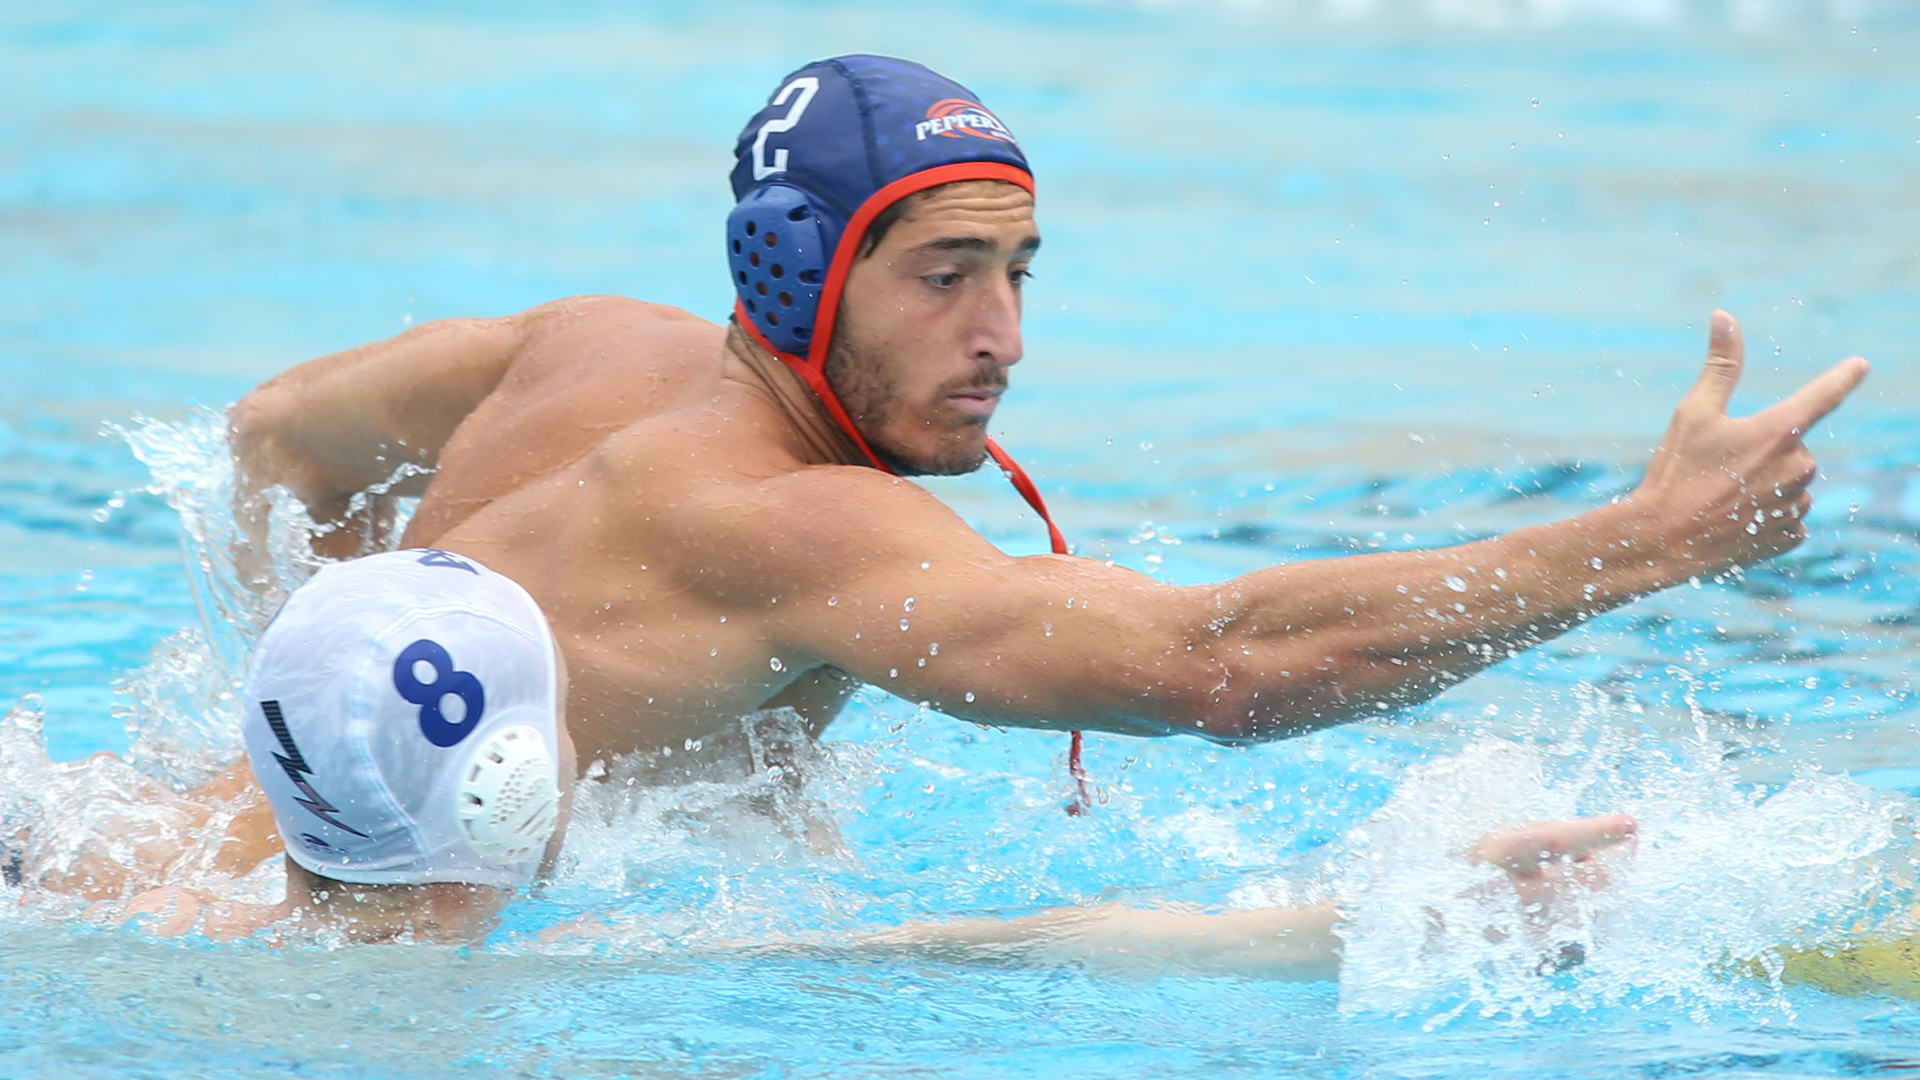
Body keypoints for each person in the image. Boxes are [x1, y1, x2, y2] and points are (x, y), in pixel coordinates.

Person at [225, 54, 1867, 794]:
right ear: (796, 273)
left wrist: (321, 689)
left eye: (1017, 273)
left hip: (218, 861)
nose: (1003, 338)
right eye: (944, 277)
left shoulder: (584, 345)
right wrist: (1644, 546)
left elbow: (276, 437)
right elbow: (1216, 672)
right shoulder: (789, 525)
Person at [87, 547, 1635, 961]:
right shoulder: (577, 985)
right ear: (514, 789)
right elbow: (1015, 945)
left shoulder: (144, 911)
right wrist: (1393, 915)